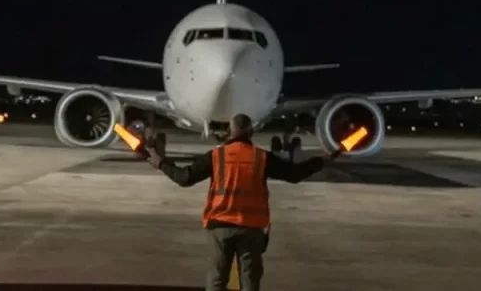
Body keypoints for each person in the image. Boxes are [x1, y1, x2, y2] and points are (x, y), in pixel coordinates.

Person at [142, 113, 340, 291]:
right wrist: (320, 161)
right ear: (251, 132)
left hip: (220, 227)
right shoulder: (261, 157)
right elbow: (294, 174)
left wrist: (161, 163)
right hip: (251, 228)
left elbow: (185, 178)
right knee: (250, 282)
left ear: (229, 131)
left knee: (217, 281)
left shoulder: (216, 156)